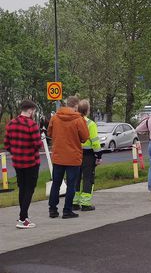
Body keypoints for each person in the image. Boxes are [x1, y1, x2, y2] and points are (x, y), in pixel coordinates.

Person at [47, 96, 90, 219]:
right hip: (73, 157)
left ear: (66, 104)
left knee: (56, 184)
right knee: (71, 185)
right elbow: (85, 137)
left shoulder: (55, 117)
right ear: (76, 106)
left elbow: (49, 133)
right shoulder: (79, 119)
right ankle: (67, 210)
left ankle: (53, 210)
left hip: (58, 156)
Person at [4, 100, 43, 228]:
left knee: (22, 188)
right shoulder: (31, 125)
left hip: (17, 162)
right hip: (31, 161)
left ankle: (23, 216)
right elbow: (38, 145)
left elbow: (7, 145)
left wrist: (16, 151)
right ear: (30, 110)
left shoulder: (11, 124)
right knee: (29, 189)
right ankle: (23, 218)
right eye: (33, 111)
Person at [73, 100, 102, 212]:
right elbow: (95, 142)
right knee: (88, 178)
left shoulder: (73, 122)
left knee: (75, 178)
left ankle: (74, 202)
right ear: (87, 111)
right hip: (88, 155)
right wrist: (98, 155)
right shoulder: (90, 124)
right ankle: (85, 203)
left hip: (75, 153)